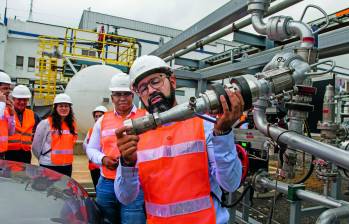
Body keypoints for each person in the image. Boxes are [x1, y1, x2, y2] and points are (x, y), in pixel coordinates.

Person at [114, 55, 243, 224]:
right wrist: (127, 164)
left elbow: (230, 184)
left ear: (172, 81)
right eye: (143, 87)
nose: (151, 91)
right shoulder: (136, 134)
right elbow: (125, 197)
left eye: (155, 81)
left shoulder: (204, 124)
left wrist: (223, 133)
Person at [87, 73, 146, 224]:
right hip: (107, 183)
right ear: (112, 97)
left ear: (132, 95)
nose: (122, 98)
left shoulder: (145, 117)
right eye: (117, 94)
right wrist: (103, 159)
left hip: (135, 182)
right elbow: (91, 148)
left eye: (126, 94)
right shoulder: (102, 120)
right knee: (106, 220)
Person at [32, 93, 77, 177]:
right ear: (55, 108)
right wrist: (43, 158)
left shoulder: (72, 124)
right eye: (61, 106)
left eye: (66, 106)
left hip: (66, 165)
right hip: (49, 165)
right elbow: (36, 146)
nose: (64, 108)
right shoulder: (46, 123)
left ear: (70, 108)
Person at [6, 85, 41, 164]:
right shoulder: (6, 112)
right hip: (8, 153)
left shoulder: (32, 114)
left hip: (25, 154)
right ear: (13, 99)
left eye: (25, 100)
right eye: (19, 99)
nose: (22, 102)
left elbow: (42, 129)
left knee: (23, 176)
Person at [83, 105, 107, 190]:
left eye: (100, 116)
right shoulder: (91, 131)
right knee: (97, 188)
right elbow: (85, 146)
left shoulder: (109, 130)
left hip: (106, 167)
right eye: (96, 116)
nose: (97, 118)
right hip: (94, 167)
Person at [0, 71, 15, 159]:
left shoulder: (5, 108)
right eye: (5, 88)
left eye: (9, 89)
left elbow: (11, 132)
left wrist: (12, 114)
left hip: (3, 152)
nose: (8, 92)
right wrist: (2, 103)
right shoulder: (2, 106)